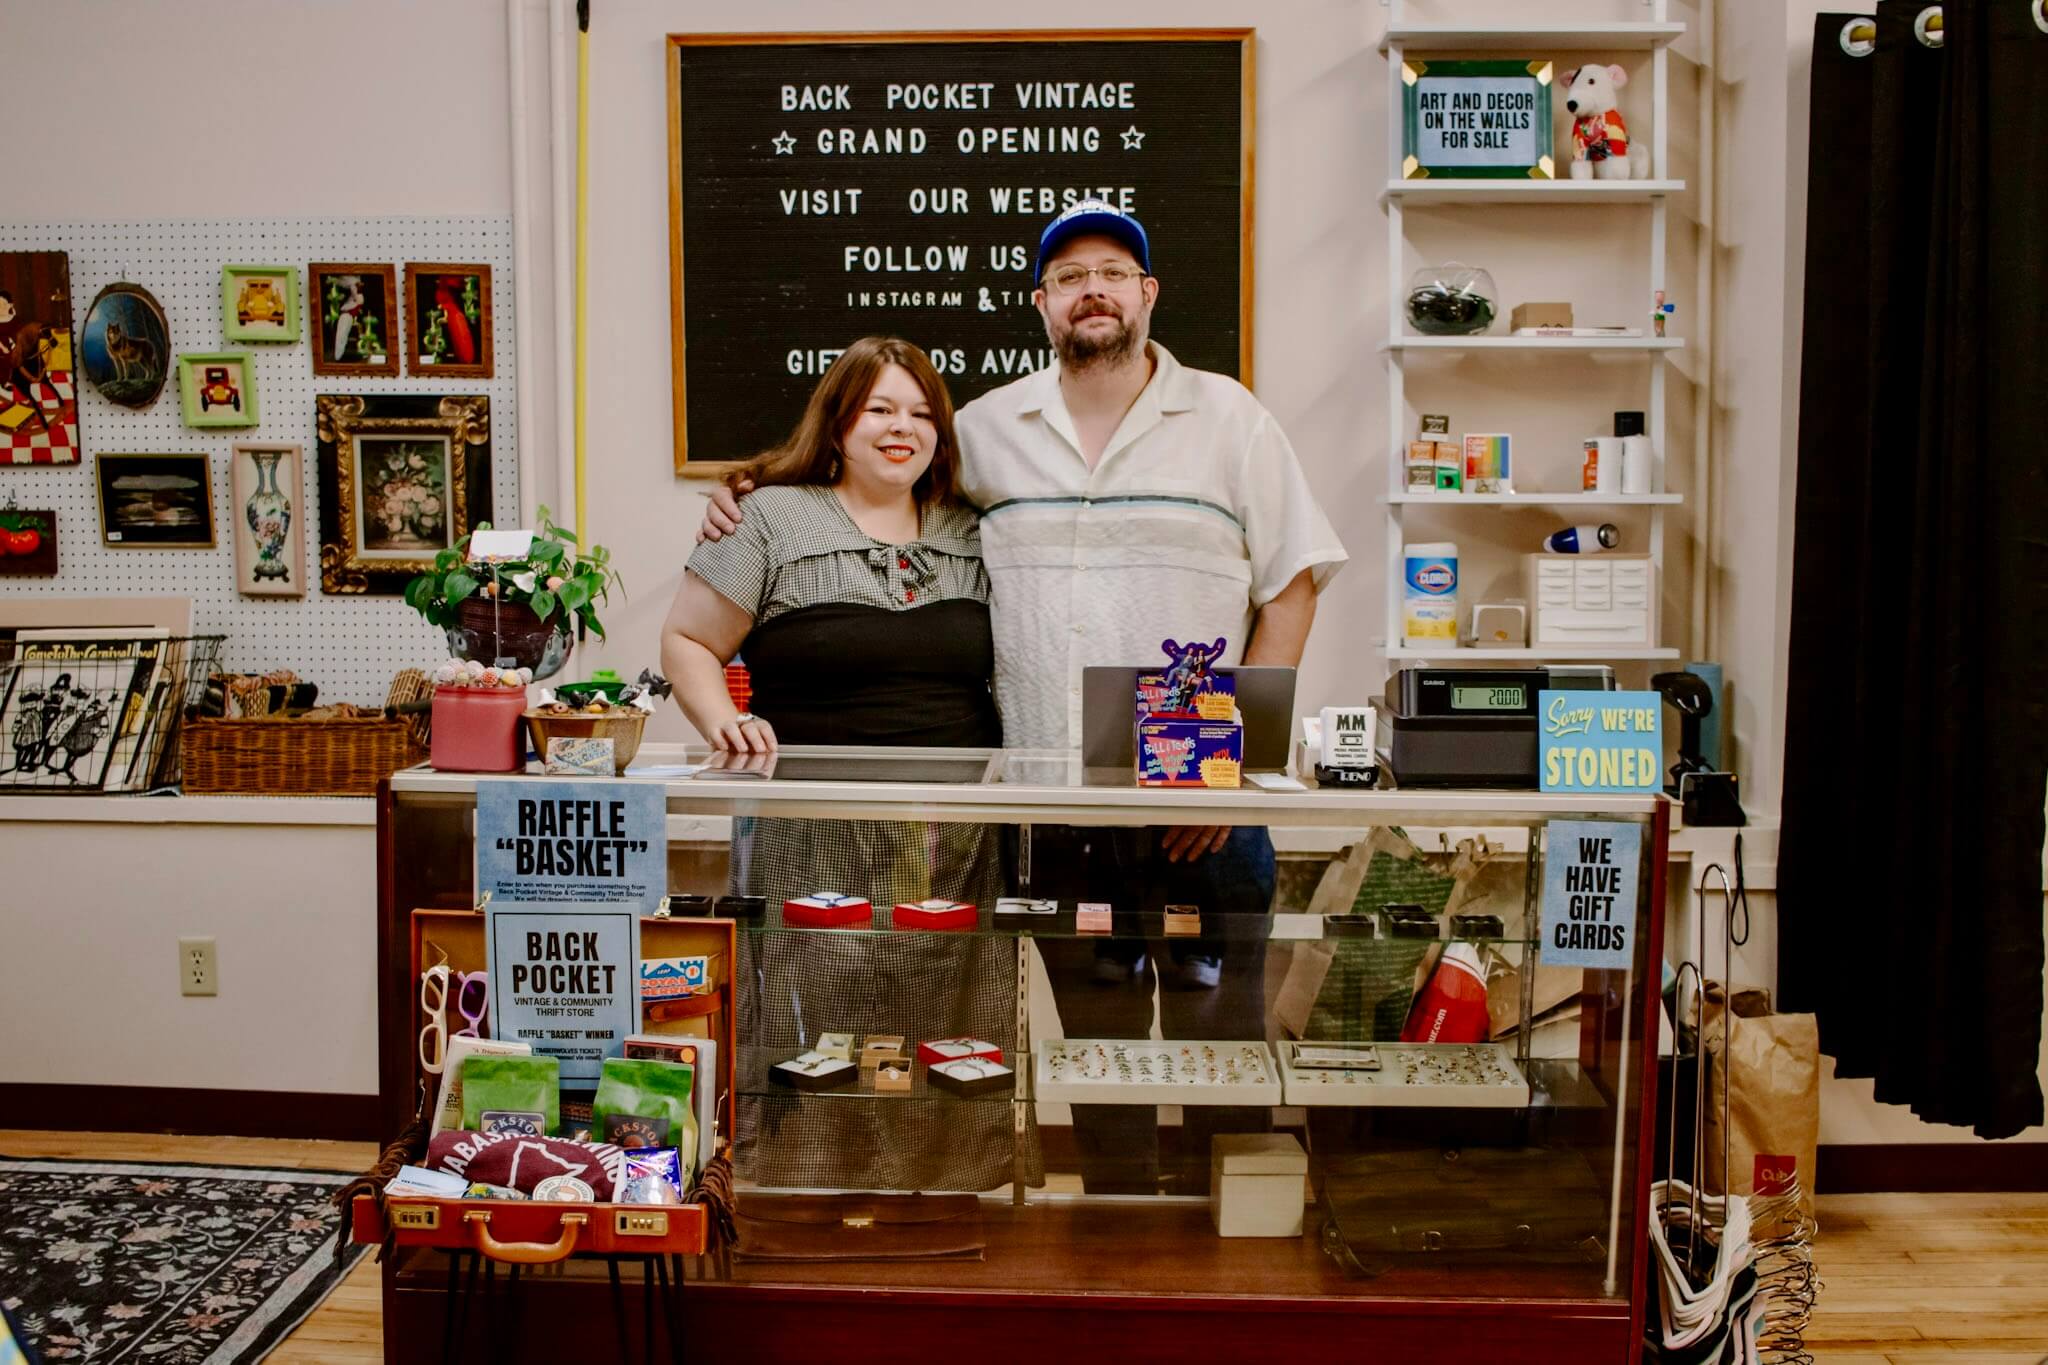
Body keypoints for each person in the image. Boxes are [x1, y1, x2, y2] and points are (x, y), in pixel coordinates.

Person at [701, 202, 1348, 1193]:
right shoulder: (989, 428)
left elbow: (1290, 585)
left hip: (1202, 811)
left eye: (1114, 271)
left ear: (1147, 295)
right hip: (1055, 808)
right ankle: (1122, 1239)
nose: (1093, 288)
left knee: (1221, 1054)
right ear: (1041, 303)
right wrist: (754, 487)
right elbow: (878, 476)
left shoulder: (1227, 417)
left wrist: (1221, 773)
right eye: (1070, 275)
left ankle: (1227, 1269)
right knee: (1099, 1062)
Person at [662, 335, 1031, 1192]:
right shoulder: (768, 517)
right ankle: (807, 1187)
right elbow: (686, 639)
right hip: (808, 829)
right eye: (880, 409)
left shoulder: (973, 529)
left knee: (945, 1014)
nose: (903, 428)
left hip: (953, 834)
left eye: (922, 413)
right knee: (815, 1007)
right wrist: (726, 721)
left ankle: (937, 1190)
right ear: (838, 423)